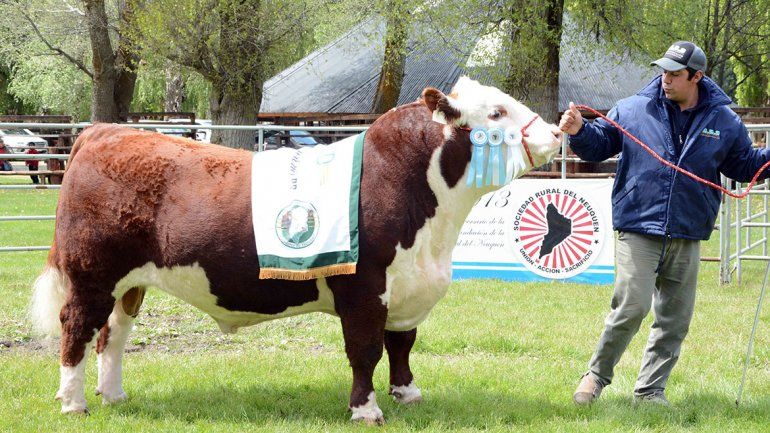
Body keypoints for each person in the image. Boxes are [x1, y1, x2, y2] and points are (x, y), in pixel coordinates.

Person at [559, 41, 770, 406]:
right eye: (663, 71)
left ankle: (650, 391)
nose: (666, 80)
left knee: (674, 319)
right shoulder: (633, 108)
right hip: (639, 224)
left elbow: (745, 166)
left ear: (697, 77)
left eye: (675, 74)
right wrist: (579, 130)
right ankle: (595, 377)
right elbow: (599, 146)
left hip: (689, 230)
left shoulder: (724, 121)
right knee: (633, 306)